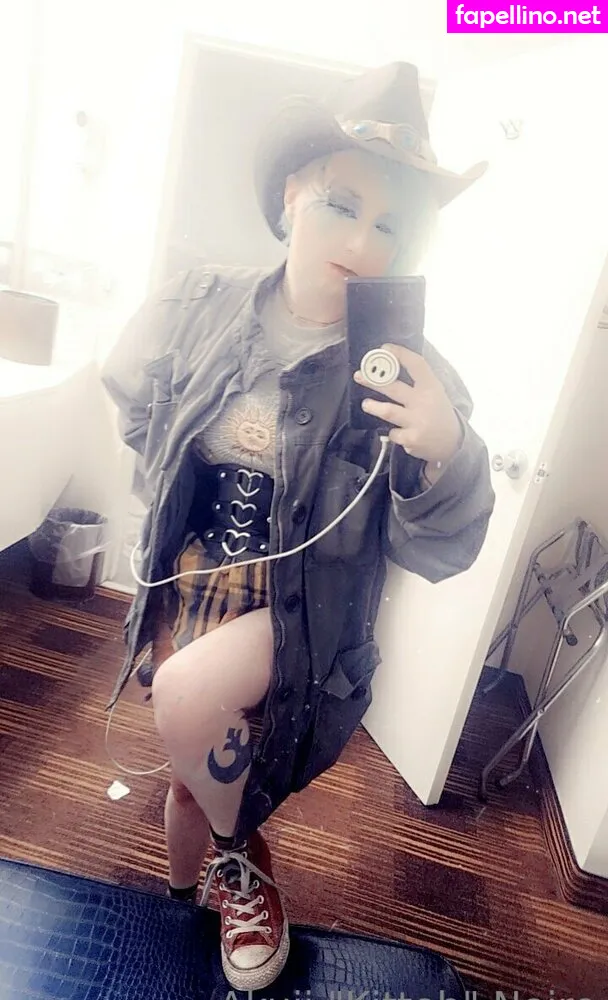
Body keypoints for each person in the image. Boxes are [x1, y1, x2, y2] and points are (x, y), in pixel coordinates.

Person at [100, 61, 495, 992]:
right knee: (188, 763)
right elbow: (138, 406)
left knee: (189, 699)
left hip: (295, 608)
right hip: (191, 577)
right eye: (339, 204)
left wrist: (445, 450)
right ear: (290, 196)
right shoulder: (199, 304)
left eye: (389, 223)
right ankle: (184, 905)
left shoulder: (410, 372)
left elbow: (440, 546)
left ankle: (243, 864)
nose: (360, 240)